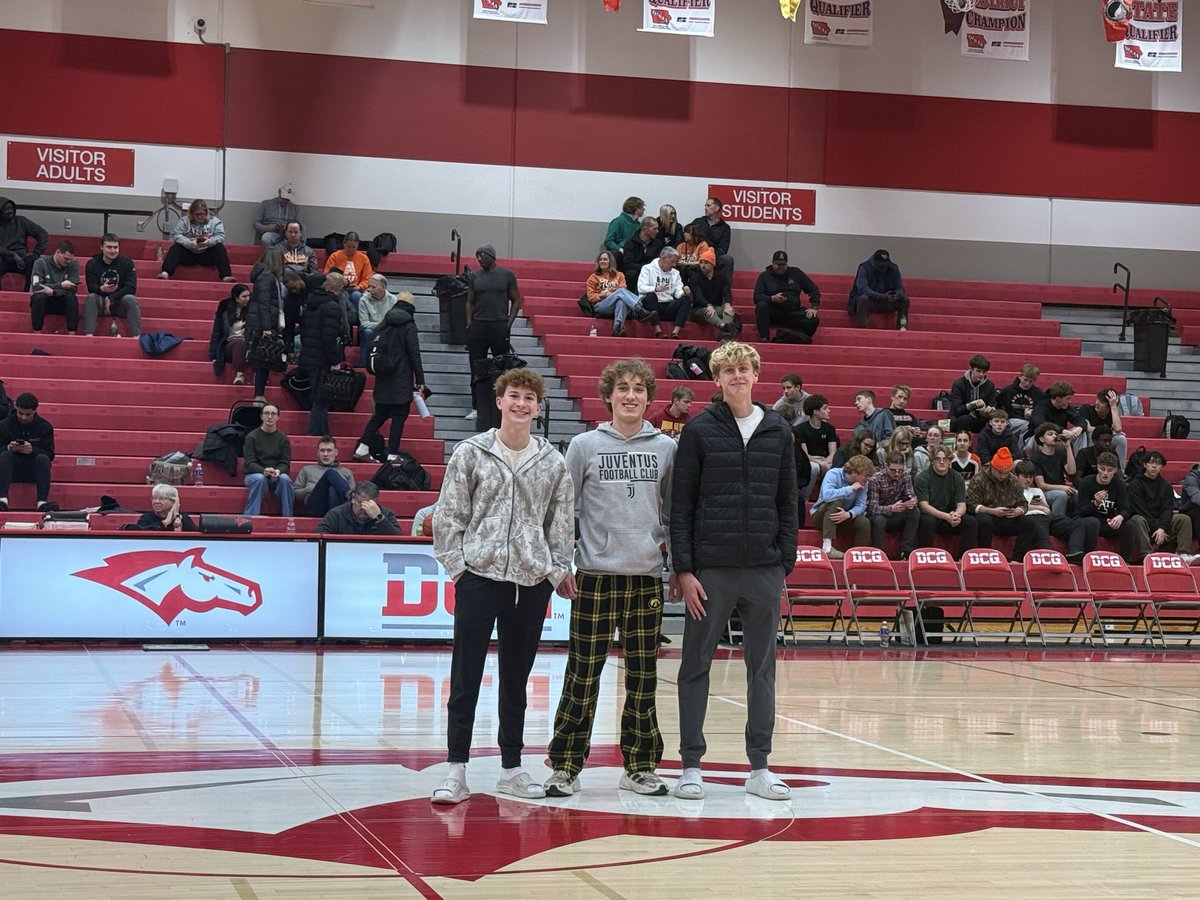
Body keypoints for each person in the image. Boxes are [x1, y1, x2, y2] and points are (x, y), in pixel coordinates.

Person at [431, 368, 576, 805]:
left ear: (538, 406)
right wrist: (459, 568)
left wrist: (555, 570)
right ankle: (457, 769)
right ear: (500, 401)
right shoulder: (470, 453)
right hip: (479, 578)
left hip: (531, 585)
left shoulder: (552, 460)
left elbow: (561, 522)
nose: (521, 404)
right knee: (465, 676)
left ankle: (511, 767)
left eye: (530, 398)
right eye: (514, 396)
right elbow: (448, 515)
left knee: (517, 679)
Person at [670, 341, 797, 802]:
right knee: (694, 667)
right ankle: (690, 765)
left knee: (761, 670)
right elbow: (679, 504)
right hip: (711, 572)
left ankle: (759, 766)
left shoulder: (779, 430)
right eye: (729, 371)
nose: (737, 377)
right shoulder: (700, 430)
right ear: (717, 380)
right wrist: (684, 569)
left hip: (764, 570)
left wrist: (784, 561)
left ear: (756, 374)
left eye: (744, 369)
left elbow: (789, 500)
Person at [544, 358, 677, 798]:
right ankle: (565, 764)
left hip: (645, 579)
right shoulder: (583, 445)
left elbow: (674, 514)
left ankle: (639, 766)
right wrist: (561, 563)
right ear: (608, 395)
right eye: (623, 387)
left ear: (648, 397)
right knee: (583, 673)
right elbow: (564, 510)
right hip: (595, 577)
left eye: (639, 388)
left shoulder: (665, 448)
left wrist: (675, 566)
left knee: (643, 676)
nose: (631, 395)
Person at [355, 296, 424, 462]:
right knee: (399, 416)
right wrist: (420, 379)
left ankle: (363, 448)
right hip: (401, 379)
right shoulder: (409, 326)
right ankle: (392, 454)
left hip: (383, 378)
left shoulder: (384, 323)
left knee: (379, 415)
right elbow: (414, 353)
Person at [465, 244, 522, 422]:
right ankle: (476, 406)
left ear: (492, 256)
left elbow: (516, 300)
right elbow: (469, 302)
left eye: (482, 255)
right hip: (479, 326)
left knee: (502, 368)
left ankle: (504, 405)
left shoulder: (507, 275)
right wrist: (470, 324)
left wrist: (509, 323)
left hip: (499, 325)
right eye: (477, 257)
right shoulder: (474, 276)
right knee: (476, 367)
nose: (479, 259)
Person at [1014, 459, 1096, 565]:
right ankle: (1048, 555)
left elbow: (1047, 509)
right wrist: (1036, 507)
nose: (1028, 480)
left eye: (1031, 477)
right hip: (1029, 518)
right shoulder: (1012, 490)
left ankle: (1074, 552)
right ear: (1016, 476)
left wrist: (1039, 508)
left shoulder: (1037, 491)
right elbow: (1015, 507)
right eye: (1025, 477)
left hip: (1046, 516)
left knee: (1077, 524)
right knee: (1039, 525)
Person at [965, 448, 1037, 561]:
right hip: (988, 516)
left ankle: (1017, 559)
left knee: (1029, 523)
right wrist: (991, 511)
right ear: (993, 467)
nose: (1003, 476)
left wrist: (1018, 511)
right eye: (1000, 472)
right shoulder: (979, 479)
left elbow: (1023, 503)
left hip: (1007, 517)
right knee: (983, 520)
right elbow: (970, 504)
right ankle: (985, 556)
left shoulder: (1013, 480)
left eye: (1006, 473)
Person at [1127, 450, 1197, 564]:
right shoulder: (1135, 484)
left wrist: (1162, 528)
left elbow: (1167, 509)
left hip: (1161, 523)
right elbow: (1140, 510)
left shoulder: (1166, 485)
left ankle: (1183, 553)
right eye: (1151, 462)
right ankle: (1147, 555)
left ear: (1162, 467)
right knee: (1136, 519)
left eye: (1158, 463)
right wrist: (1158, 528)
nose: (1154, 466)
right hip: (1145, 522)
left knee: (1183, 519)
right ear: (1145, 465)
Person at [299, 272, 348, 436]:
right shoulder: (332, 308)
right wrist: (335, 361)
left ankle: (323, 434)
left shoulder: (310, 303)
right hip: (321, 360)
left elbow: (304, 332)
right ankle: (316, 435)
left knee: (319, 398)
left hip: (308, 355)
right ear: (339, 289)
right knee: (321, 400)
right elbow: (329, 338)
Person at [915, 445, 977, 558]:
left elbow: (961, 504)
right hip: (932, 514)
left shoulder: (957, 477)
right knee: (927, 522)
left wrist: (956, 515)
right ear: (932, 461)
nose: (942, 462)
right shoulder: (922, 478)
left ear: (950, 461)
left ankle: (963, 558)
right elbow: (924, 506)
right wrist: (946, 516)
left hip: (950, 514)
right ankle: (926, 557)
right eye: (938, 459)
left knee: (970, 522)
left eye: (946, 459)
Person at [0, 392, 57, 512]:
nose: (23, 417)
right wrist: (8, 448)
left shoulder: (45, 427)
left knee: (42, 459)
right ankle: (2, 500)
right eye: (21, 413)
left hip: (33, 470)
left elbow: (50, 454)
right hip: (9, 469)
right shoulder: (4, 425)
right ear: (16, 408)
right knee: (5, 455)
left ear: (35, 411)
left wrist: (33, 450)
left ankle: (42, 503)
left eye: (28, 414)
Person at [811, 454, 876, 559]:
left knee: (864, 522)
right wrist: (850, 489)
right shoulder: (833, 474)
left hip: (843, 517)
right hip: (822, 516)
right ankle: (827, 548)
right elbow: (827, 496)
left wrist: (849, 514)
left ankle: (858, 555)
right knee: (835, 502)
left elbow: (861, 505)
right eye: (866, 475)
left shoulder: (864, 484)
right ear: (855, 472)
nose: (868, 478)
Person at [1075, 451, 1135, 561]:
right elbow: (1081, 511)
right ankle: (1089, 559)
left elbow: (1126, 508)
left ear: (1115, 471)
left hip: (1107, 521)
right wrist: (1095, 503)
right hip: (1087, 520)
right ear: (1097, 467)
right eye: (1102, 469)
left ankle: (1124, 561)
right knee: (1093, 522)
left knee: (1129, 525)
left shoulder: (1119, 485)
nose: (1105, 473)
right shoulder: (1086, 483)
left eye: (1110, 470)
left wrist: (1120, 517)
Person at [753, 250, 821, 344]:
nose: (781, 267)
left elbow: (813, 289)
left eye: (783, 265)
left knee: (813, 319)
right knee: (761, 306)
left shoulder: (796, 273)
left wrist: (814, 307)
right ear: (772, 264)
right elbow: (756, 297)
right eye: (778, 264)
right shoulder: (764, 276)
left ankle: (792, 337)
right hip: (774, 312)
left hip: (793, 312)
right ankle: (765, 339)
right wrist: (772, 298)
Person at [158, 199, 234, 282]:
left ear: (206, 213)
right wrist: (189, 244)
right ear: (192, 213)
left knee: (220, 248)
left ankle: (226, 275)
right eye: (197, 214)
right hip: (189, 253)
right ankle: (165, 272)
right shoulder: (184, 221)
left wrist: (208, 242)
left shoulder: (215, 222)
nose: (199, 217)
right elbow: (177, 235)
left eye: (202, 214)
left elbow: (220, 236)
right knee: (175, 248)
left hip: (207, 254)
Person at [83, 233, 141, 337]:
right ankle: (89, 335)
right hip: (100, 303)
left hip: (119, 303)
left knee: (130, 299)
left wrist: (111, 297)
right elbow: (91, 287)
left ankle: (136, 337)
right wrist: (102, 289)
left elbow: (131, 288)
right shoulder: (92, 264)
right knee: (91, 297)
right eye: (109, 247)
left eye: (116, 247)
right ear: (101, 247)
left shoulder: (127, 263)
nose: (113, 251)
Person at [248, 250, 286, 403]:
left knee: (264, 360)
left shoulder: (269, 278)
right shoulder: (266, 278)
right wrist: (266, 327)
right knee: (263, 360)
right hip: (262, 324)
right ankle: (258, 395)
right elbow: (264, 305)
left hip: (265, 321)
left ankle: (259, 394)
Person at [242, 404, 294, 516]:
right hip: (254, 475)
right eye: (266, 413)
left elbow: (285, 463)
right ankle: (251, 518)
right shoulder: (251, 437)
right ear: (261, 416)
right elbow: (250, 462)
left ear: (278, 417)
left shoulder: (283, 439)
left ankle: (288, 518)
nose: (270, 417)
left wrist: (278, 471)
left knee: (285, 478)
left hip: (275, 476)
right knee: (260, 478)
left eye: (273, 414)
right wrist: (264, 471)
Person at [867, 451, 920, 559]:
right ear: (886, 466)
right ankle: (879, 553)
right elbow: (872, 507)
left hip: (897, 513)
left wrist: (912, 501)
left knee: (914, 512)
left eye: (899, 470)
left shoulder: (905, 474)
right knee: (879, 520)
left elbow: (910, 494)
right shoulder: (875, 479)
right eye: (893, 470)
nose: (897, 474)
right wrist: (891, 508)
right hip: (880, 514)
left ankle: (906, 551)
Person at [585, 249, 646, 337]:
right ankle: (638, 308)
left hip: (617, 302)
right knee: (620, 292)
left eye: (605, 259)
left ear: (611, 261)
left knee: (621, 301)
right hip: (601, 305)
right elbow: (590, 297)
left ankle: (618, 327)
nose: (602, 261)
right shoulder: (593, 277)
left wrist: (614, 291)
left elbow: (624, 289)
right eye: (600, 259)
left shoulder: (619, 275)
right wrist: (603, 294)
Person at [294, 436, 356, 518]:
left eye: (329, 450)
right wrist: (309, 490)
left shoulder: (346, 472)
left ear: (336, 452)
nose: (325, 454)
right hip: (315, 505)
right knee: (330, 473)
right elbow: (295, 493)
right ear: (318, 452)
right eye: (322, 451)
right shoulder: (307, 469)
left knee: (332, 489)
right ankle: (347, 495)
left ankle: (334, 519)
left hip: (338, 506)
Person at [848, 248, 908, 330]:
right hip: (872, 300)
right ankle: (861, 328)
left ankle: (902, 327)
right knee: (863, 299)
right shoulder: (864, 267)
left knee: (904, 300)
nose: (883, 268)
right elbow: (862, 288)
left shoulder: (894, 268)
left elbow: (900, 288)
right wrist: (879, 296)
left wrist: (896, 295)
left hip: (888, 300)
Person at [637, 247, 690, 339]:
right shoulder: (647, 268)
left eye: (675, 262)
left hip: (668, 305)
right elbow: (641, 288)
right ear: (663, 258)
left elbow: (678, 293)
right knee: (650, 296)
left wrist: (684, 293)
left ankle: (675, 332)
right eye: (672, 262)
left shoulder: (675, 273)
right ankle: (658, 331)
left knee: (685, 300)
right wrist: (655, 289)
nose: (674, 265)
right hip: (652, 307)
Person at [687, 249, 738, 340]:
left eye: (706, 263)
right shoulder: (696, 277)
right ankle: (724, 326)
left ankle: (724, 332)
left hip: (716, 307)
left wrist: (727, 304)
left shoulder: (721, 277)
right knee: (709, 312)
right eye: (701, 262)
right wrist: (708, 305)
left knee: (728, 311)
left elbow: (727, 292)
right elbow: (698, 296)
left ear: (712, 264)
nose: (702, 265)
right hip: (699, 309)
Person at [29, 241, 79, 333]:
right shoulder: (40, 263)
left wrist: (53, 292)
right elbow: (36, 286)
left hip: (62, 302)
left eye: (70, 259)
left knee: (71, 298)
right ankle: (37, 333)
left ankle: (72, 334)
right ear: (58, 252)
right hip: (45, 302)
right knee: (38, 297)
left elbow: (73, 288)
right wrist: (60, 285)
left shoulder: (73, 264)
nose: (68, 261)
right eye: (65, 258)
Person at [316, 481, 401, 536]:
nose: (365, 508)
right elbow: (319, 535)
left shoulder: (386, 514)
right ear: (353, 498)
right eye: (361, 503)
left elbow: (398, 541)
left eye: (370, 504)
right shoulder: (336, 514)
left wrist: (379, 518)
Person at [0, 196, 48, 290]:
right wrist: (13, 255)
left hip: (22, 258)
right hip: (3, 258)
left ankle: (27, 293)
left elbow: (43, 234)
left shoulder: (21, 221)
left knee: (35, 261)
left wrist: (36, 252)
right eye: (6, 209)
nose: (10, 211)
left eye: (11, 209)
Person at [209, 283, 252, 385]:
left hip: (249, 345)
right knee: (238, 342)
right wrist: (213, 355)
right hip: (230, 344)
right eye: (244, 296)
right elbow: (217, 333)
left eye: (249, 296)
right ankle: (239, 374)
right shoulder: (225, 311)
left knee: (243, 343)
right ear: (236, 298)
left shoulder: (253, 311)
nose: (248, 299)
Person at [1030, 423, 1076, 518]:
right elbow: (1041, 485)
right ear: (1042, 439)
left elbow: (1071, 471)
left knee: (1079, 494)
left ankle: (1075, 521)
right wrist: (1062, 487)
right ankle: (1057, 522)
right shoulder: (1036, 458)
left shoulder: (1060, 453)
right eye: (1050, 434)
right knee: (1060, 495)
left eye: (1055, 434)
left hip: (1061, 489)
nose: (1054, 436)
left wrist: (1068, 447)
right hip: (1045, 492)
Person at [794, 394, 839, 488]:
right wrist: (820, 462)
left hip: (826, 460)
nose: (829, 411)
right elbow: (804, 454)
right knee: (813, 468)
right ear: (815, 412)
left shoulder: (830, 429)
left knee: (832, 468)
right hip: (809, 460)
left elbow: (833, 452)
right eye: (825, 408)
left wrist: (826, 462)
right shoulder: (801, 429)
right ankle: (805, 496)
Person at [1077, 388, 1128, 469]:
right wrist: (1110, 432)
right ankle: (1083, 468)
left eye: (1101, 402)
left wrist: (1113, 406)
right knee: (1086, 434)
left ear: (1108, 407)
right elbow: (1088, 428)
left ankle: (1119, 471)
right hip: (1090, 441)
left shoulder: (1112, 413)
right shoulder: (1086, 409)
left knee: (1121, 438)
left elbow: (1118, 429)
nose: (1097, 403)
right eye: (1097, 400)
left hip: (1105, 442)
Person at [1026, 381, 1085, 448]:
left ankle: (1077, 457)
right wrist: (1061, 430)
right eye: (1067, 399)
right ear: (1058, 399)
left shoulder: (1066, 407)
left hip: (1057, 438)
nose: (1069, 401)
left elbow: (1079, 419)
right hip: (1036, 440)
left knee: (1081, 432)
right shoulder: (1041, 406)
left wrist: (1079, 428)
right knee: (1045, 435)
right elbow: (1040, 424)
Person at [948, 354, 998, 434]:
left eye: (984, 372)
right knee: (966, 419)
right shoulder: (959, 384)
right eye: (978, 371)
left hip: (980, 420)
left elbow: (993, 406)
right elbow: (956, 410)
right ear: (971, 369)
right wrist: (971, 405)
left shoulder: (990, 385)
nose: (981, 374)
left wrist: (988, 410)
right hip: (960, 419)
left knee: (996, 422)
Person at [686, 197, 734, 280]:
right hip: (696, 255)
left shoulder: (724, 228)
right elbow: (688, 237)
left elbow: (723, 249)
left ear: (717, 208)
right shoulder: (698, 222)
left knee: (728, 259)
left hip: (714, 256)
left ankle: (725, 290)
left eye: (708, 205)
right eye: (705, 206)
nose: (705, 208)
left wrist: (710, 257)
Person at [994, 363, 1043, 437]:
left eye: (1031, 381)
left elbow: (1040, 412)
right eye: (1025, 380)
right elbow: (999, 407)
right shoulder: (1008, 390)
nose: (1027, 384)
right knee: (1027, 426)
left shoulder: (1038, 393)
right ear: (1020, 376)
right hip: (1010, 421)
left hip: (1028, 421)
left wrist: (1031, 416)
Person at [324, 231, 374, 304]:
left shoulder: (364, 258)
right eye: (349, 247)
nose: (351, 249)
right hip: (339, 288)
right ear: (344, 244)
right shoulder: (335, 256)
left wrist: (359, 286)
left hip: (356, 289)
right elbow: (328, 275)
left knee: (356, 296)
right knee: (343, 296)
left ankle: (357, 315)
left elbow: (367, 278)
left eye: (354, 247)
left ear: (358, 245)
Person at [357, 274, 398, 357]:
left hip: (387, 330)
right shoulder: (363, 300)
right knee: (367, 332)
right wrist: (383, 325)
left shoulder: (393, 300)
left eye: (373, 287)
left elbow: (394, 321)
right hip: (371, 330)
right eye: (369, 286)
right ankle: (363, 364)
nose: (369, 289)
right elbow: (364, 323)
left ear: (384, 287)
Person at [132, 483, 198, 532]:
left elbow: (197, 535)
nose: (156, 501)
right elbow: (141, 534)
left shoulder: (183, 518)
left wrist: (177, 516)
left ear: (172, 502)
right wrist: (165, 523)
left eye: (161, 499)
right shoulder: (146, 518)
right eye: (154, 498)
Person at [620, 217, 664, 289]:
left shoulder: (657, 243)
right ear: (645, 228)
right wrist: (645, 267)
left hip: (652, 272)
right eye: (654, 229)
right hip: (636, 270)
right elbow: (628, 263)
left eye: (657, 229)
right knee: (630, 274)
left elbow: (657, 261)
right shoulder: (631, 242)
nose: (657, 231)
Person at [603, 196, 644, 264]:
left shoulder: (638, 225)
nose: (644, 209)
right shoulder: (618, 222)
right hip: (620, 253)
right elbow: (608, 241)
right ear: (637, 208)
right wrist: (620, 249)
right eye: (642, 207)